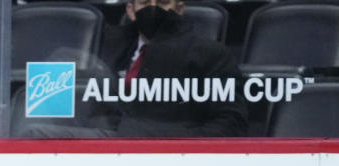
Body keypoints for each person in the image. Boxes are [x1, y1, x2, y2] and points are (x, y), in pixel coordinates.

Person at [101, 0, 248, 137]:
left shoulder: (211, 55)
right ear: (131, 11)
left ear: (179, 9)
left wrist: (160, 138)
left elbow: (231, 125)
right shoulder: (104, 50)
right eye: (145, 2)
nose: (153, 9)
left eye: (163, 2)